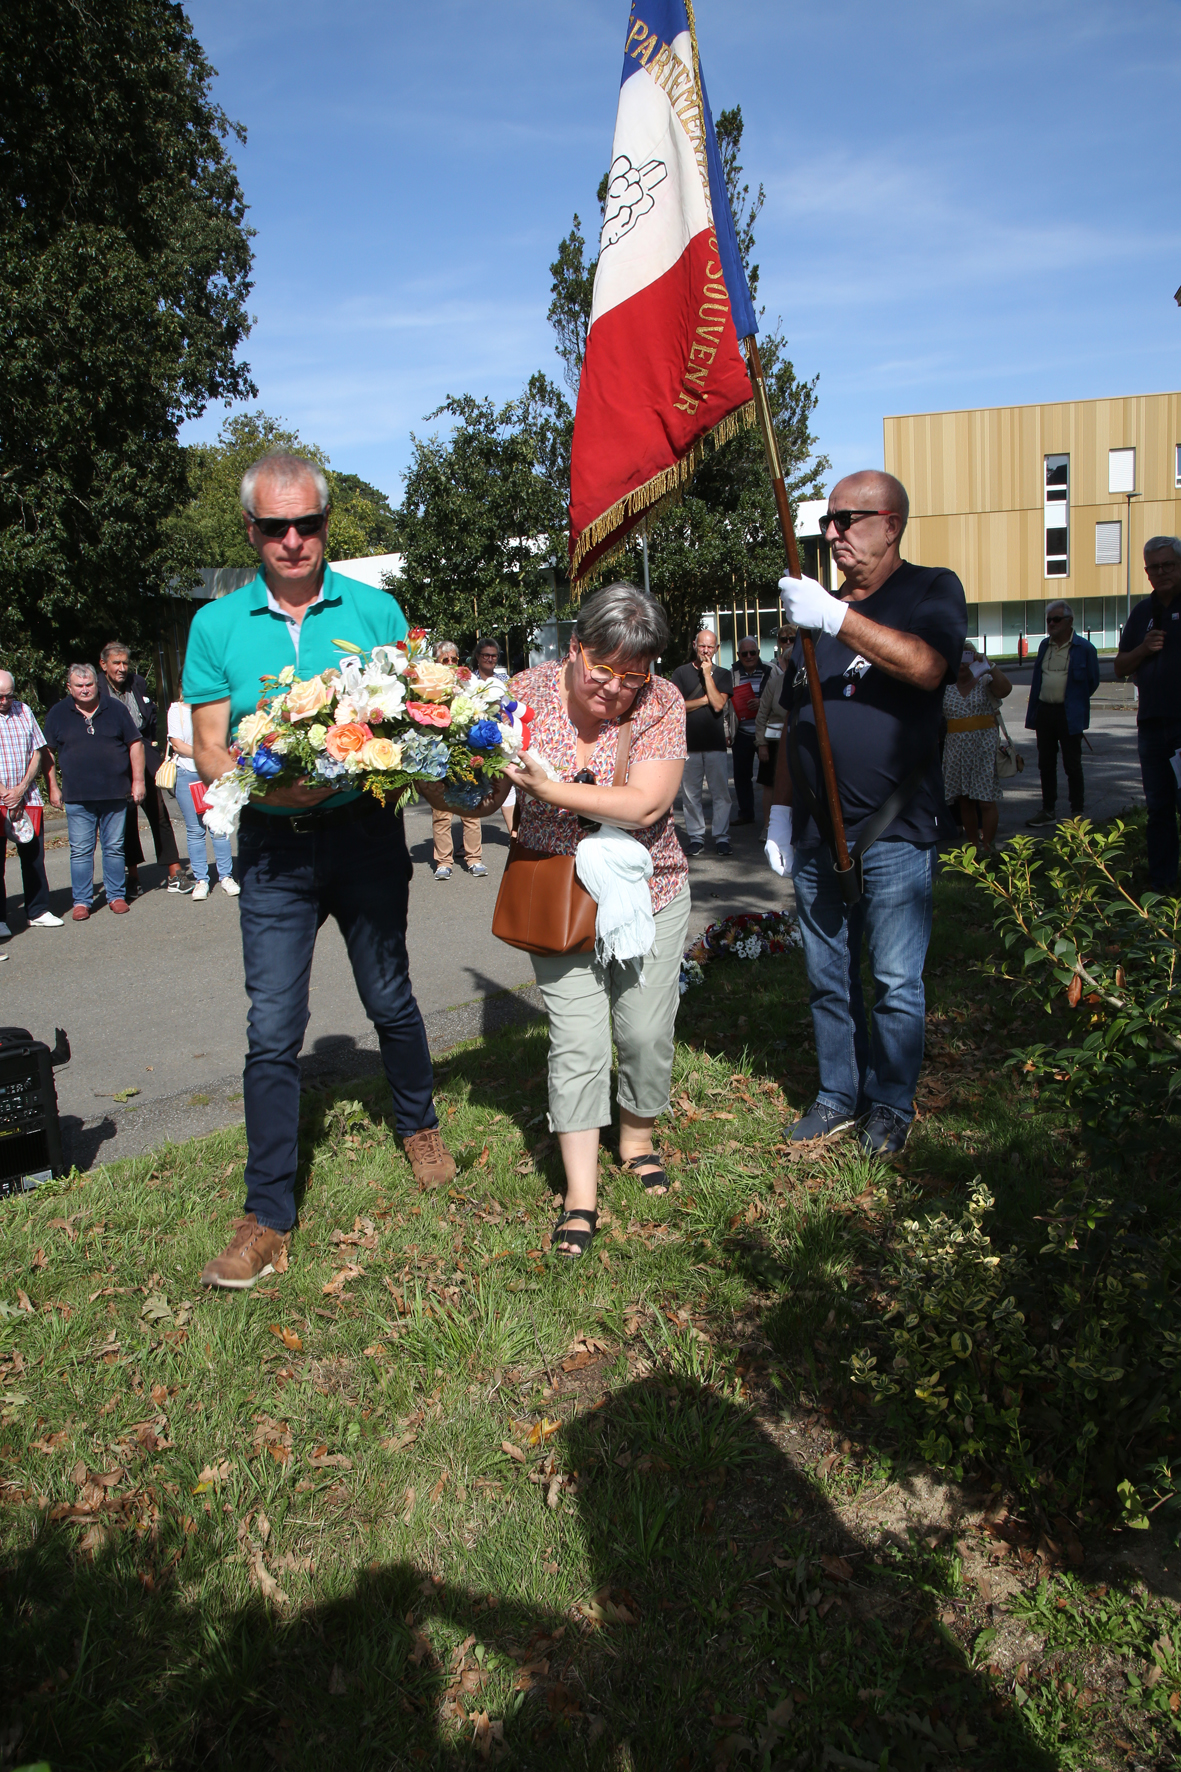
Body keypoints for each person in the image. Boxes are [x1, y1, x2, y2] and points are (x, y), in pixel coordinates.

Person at [185, 450, 478, 1289]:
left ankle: (417, 1126)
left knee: (390, 995)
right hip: (273, 851)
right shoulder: (216, 627)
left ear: (324, 527)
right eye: (273, 527)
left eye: (305, 524)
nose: (291, 540)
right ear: (251, 531)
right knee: (272, 1028)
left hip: (365, 835)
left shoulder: (378, 610)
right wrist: (273, 780)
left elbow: (419, 723)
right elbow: (209, 749)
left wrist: (468, 778)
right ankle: (267, 1213)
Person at [767, 470, 967, 1155]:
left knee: (891, 978)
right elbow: (794, 722)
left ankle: (888, 1102)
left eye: (846, 519)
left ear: (890, 522)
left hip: (892, 826)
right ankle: (835, 1093)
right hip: (819, 831)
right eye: (827, 521)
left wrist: (836, 619)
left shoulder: (928, 589)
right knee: (827, 974)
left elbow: (928, 667)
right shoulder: (813, 612)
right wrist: (777, 816)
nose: (831, 533)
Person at [502, 583, 688, 1260]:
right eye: (601, 670)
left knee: (642, 1030)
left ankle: (636, 1135)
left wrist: (547, 788)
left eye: (631, 676)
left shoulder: (662, 700)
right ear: (574, 649)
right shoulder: (523, 691)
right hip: (557, 892)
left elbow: (644, 806)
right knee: (577, 1041)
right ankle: (580, 1195)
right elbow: (488, 785)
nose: (614, 689)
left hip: (651, 888)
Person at [42, 663, 145, 920]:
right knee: (80, 850)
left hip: (115, 792)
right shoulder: (58, 713)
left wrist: (138, 781)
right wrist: (52, 787)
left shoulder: (116, 709)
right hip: (78, 795)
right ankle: (82, 901)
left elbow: (135, 744)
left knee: (114, 847)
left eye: (89, 685)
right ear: (69, 687)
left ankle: (116, 895)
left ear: (96, 685)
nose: (85, 690)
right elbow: (48, 753)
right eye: (79, 685)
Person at [1115, 535, 1181, 889]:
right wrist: (1143, 649)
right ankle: (1162, 885)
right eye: (1154, 567)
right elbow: (1119, 667)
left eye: (1168, 565)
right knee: (1159, 809)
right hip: (1152, 725)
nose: (1161, 572)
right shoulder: (1143, 612)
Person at [97, 642, 182, 894]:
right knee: (127, 818)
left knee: (159, 812)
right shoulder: (97, 689)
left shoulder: (137, 683)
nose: (122, 668)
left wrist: (152, 744)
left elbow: (151, 716)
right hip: (114, 760)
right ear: (104, 665)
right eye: (116, 663)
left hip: (143, 754)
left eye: (125, 662)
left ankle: (174, 871)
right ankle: (132, 875)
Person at [1023, 601, 1100, 828]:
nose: (1052, 624)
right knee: (1045, 764)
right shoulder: (1044, 646)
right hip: (1045, 712)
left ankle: (1077, 812)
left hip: (1069, 714)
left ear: (1069, 621)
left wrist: (1075, 701)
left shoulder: (1084, 649)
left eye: (1057, 619)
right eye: (1049, 620)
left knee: (1072, 765)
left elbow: (1092, 682)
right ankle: (1048, 810)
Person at [0, 669, 62, 940]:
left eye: (9, 695)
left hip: (27, 797)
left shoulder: (23, 710)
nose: (4, 701)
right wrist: (5, 793)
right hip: (2, 797)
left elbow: (38, 751)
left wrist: (22, 787)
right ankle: (0, 920)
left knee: (34, 856)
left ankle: (37, 910)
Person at [166, 699, 237, 900]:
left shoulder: (214, 707)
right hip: (188, 774)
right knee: (195, 830)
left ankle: (226, 876)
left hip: (214, 774)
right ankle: (201, 880)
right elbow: (178, 745)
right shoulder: (176, 710)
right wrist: (207, 755)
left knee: (219, 828)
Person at [942, 646, 1012, 851]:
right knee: (964, 801)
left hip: (983, 748)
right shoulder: (945, 685)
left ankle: (988, 847)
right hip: (956, 749)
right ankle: (972, 847)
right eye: (958, 658)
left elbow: (1005, 690)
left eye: (967, 658)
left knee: (986, 800)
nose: (962, 664)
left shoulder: (985, 681)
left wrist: (989, 666)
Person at [670, 629, 732, 855]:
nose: (706, 651)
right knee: (690, 795)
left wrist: (707, 675)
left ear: (716, 649)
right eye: (702, 645)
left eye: (710, 647)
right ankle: (696, 837)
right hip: (688, 745)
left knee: (721, 794)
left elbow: (718, 705)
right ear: (695, 645)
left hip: (715, 744)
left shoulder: (723, 674)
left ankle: (722, 837)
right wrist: (705, 699)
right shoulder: (681, 673)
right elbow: (677, 706)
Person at [429, 640, 487, 879]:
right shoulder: (429, 686)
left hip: (466, 752)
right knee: (441, 812)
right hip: (439, 754)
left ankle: (474, 858)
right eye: (446, 660)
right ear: (436, 663)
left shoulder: (468, 683)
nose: (451, 664)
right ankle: (444, 861)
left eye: (454, 659)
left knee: (471, 808)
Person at [755, 624, 796, 833]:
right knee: (770, 785)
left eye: (793, 639)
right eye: (788, 661)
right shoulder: (774, 682)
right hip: (773, 741)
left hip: (798, 740)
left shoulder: (808, 679)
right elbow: (761, 714)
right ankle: (768, 827)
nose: (790, 663)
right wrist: (761, 743)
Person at [729, 636, 769, 827]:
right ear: (738, 655)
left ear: (758, 653)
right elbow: (725, 705)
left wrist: (762, 702)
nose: (749, 656)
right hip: (742, 732)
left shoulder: (770, 671)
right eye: (744, 653)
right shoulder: (732, 673)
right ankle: (746, 813)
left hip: (766, 734)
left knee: (769, 778)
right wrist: (727, 731)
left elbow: (778, 696)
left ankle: (772, 819)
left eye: (752, 652)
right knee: (742, 776)